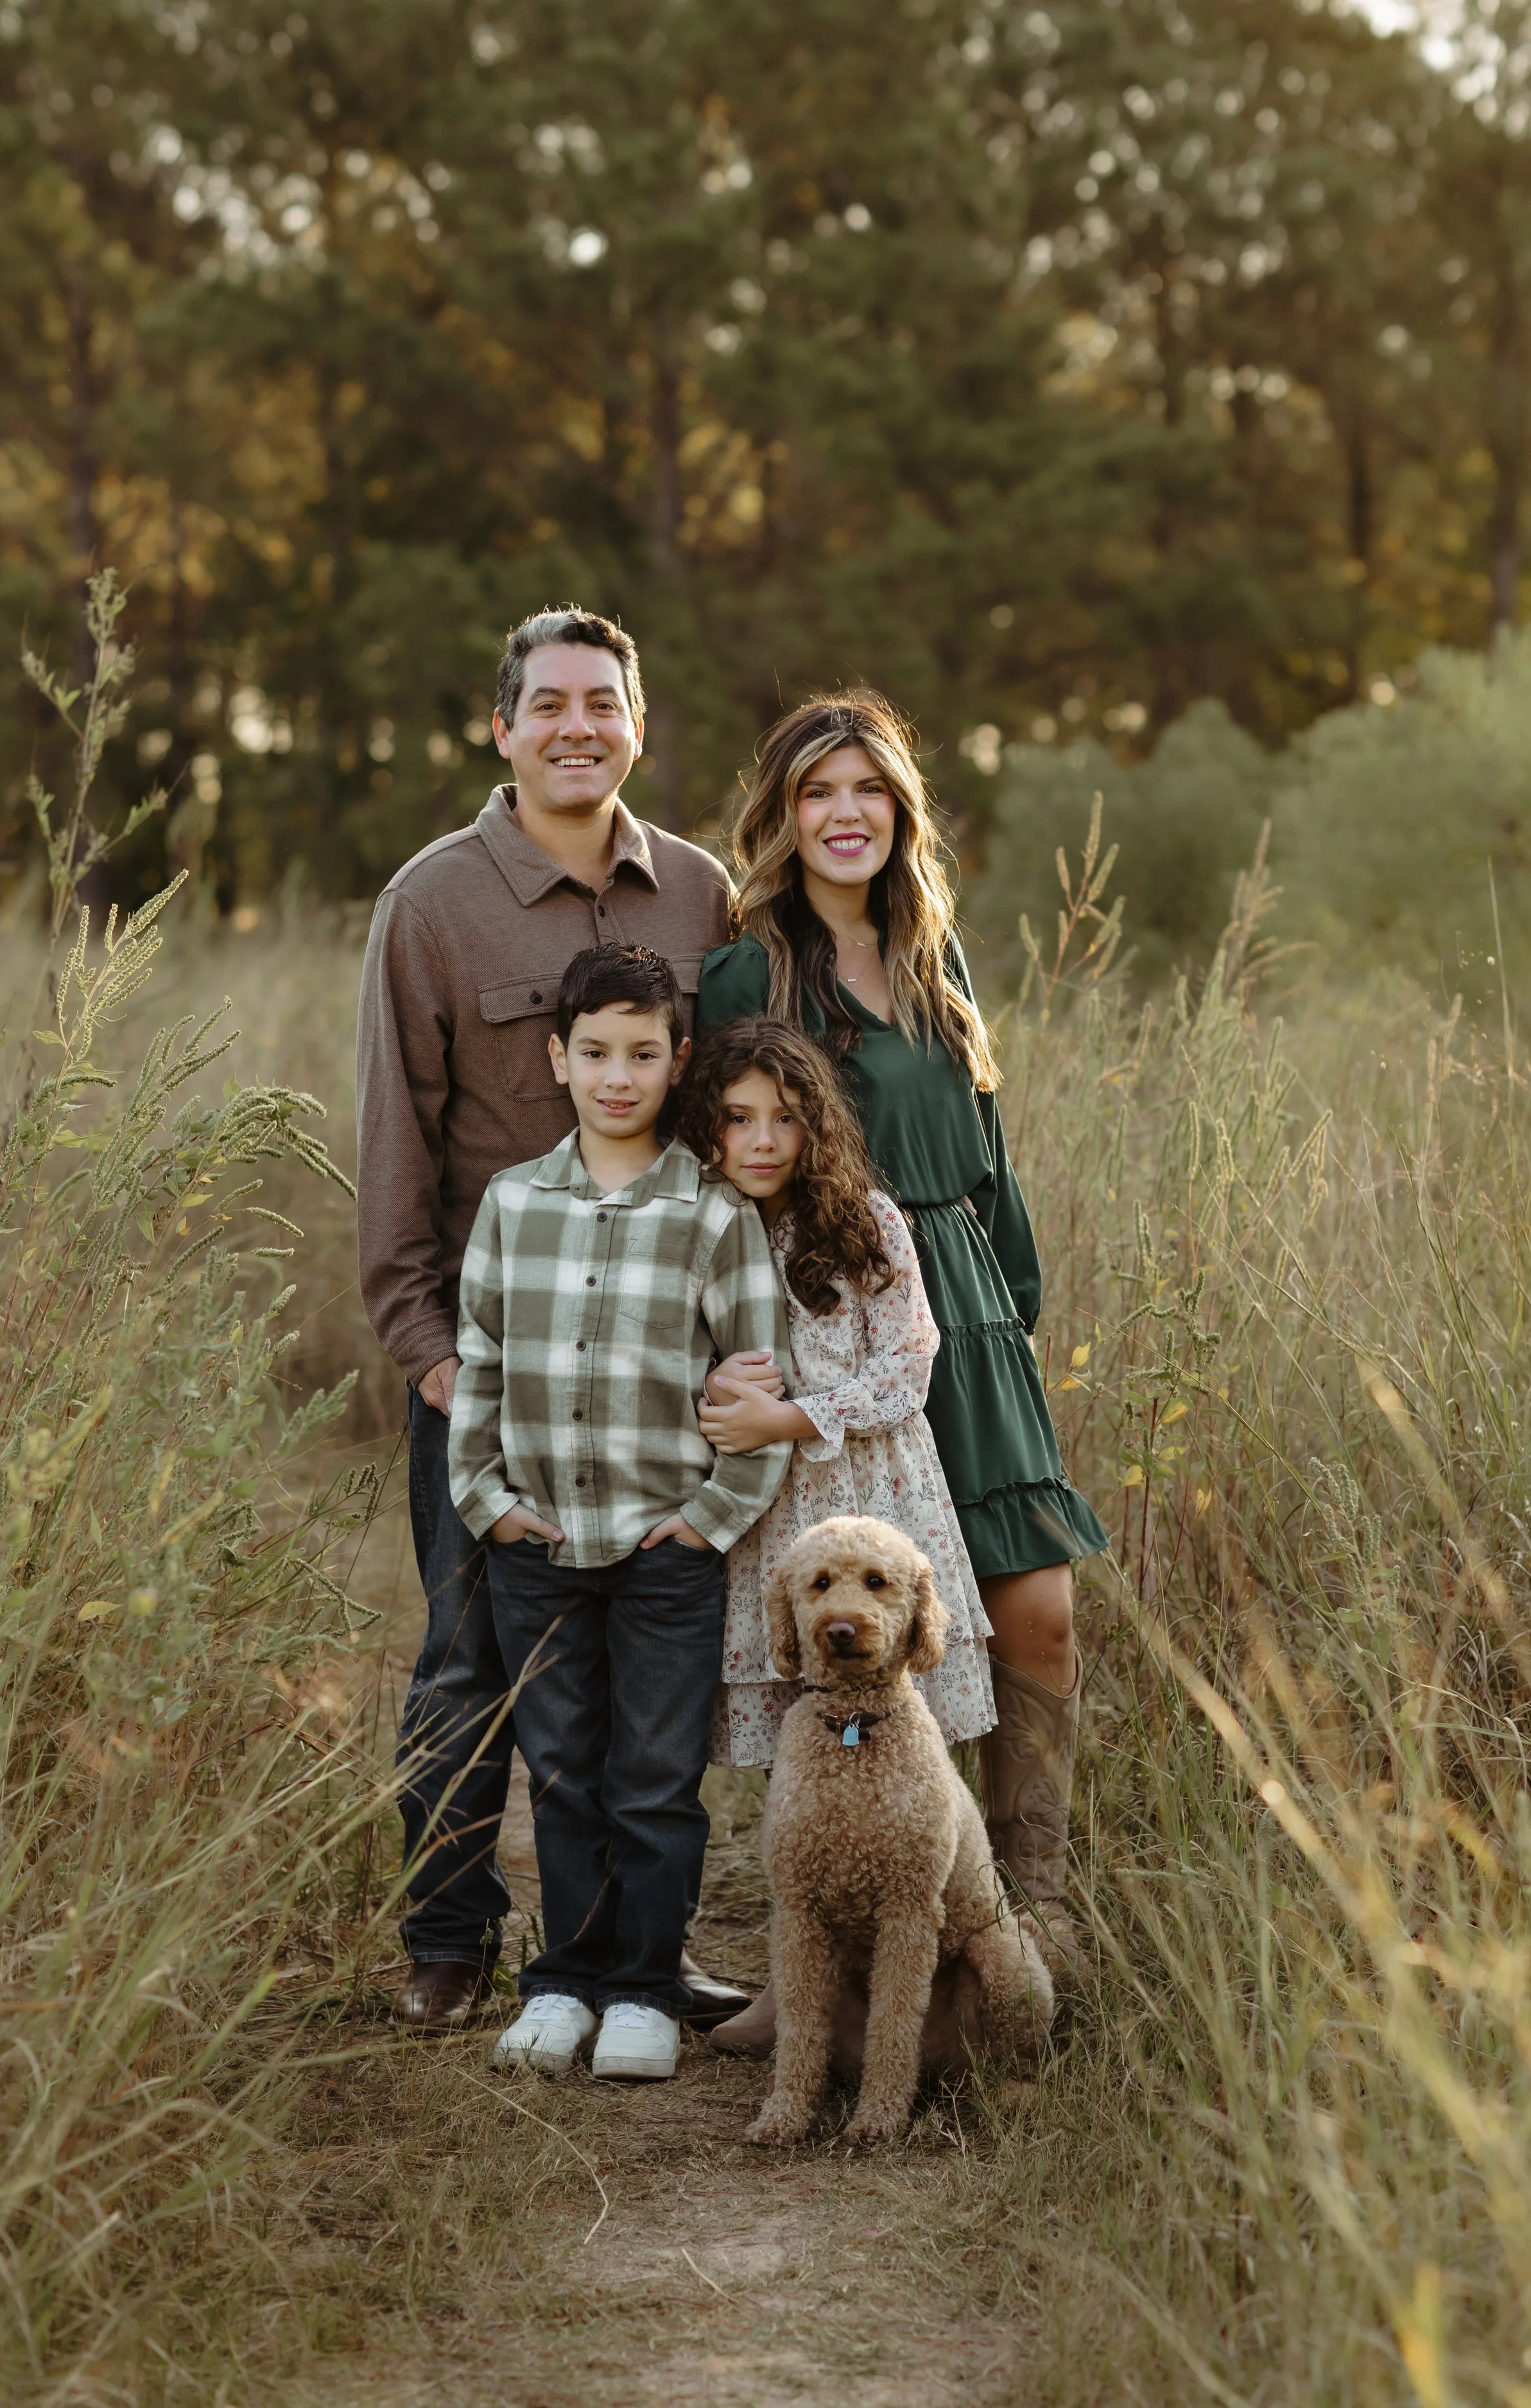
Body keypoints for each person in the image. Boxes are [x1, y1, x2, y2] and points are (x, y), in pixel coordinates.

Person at [356, 604, 748, 2030]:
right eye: (550, 704)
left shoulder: (702, 896)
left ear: (637, 724)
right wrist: (428, 1354)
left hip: (661, 1362)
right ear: (503, 726)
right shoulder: (432, 903)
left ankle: (638, 1950)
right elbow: (395, 1141)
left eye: (604, 703)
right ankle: (450, 1937)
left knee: (657, 1669)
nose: (578, 727)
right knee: (471, 1656)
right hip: (494, 1365)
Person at [695, 693, 1107, 1975]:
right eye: (817, 792)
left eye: (867, 790)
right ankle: (852, 1940)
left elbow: (988, 1158)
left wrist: (1013, 1309)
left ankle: (1017, 1919)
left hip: (966, 1315)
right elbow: (718, 1162)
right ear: (781, 815)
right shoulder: (743, 969)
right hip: (829, 1321)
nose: (843, 814)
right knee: (859, 1641)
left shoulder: (934, 952)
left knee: (1031, 1612)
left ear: (898, 812)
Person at [449, 944, 791, 2082]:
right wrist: (487, 1504)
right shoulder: (512, 1204)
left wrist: (711, 1518)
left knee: (653, 1776)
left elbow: (758, 1377)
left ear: (676, 1060)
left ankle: (644, 1987)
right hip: (537, 1544)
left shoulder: (710, 1215)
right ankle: (565, 1980)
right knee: (560, 1770)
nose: (617, 1076)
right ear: (559, 1058)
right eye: (595, 1052)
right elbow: (481, 1365)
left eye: (644, 1054)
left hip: (663, 1546)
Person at [677, 1016, 996, 1763]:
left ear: (814, 1124)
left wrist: (788, 1419)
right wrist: (712, 1386)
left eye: (785, 1118)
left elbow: (907, 1367)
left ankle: (916, 1843)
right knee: (799, 1676)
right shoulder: (698, 1228)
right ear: (707, 1125)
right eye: (738, 1119)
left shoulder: (865, 1221)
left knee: (890, 1687)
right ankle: (809, 1843)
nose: (762, 1141)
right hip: (768, 1508)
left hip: (871, 1488)